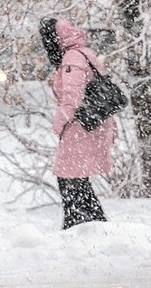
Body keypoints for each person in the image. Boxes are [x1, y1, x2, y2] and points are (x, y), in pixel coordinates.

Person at [40, 17, 118, 229]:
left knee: (69, 179)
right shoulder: (83, 53)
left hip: (81, 127)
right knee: (76, 180)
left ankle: (78, 227)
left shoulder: (72, 58)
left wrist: (58, 125)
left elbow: (71, 98)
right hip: (94, 123)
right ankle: (93, 226)